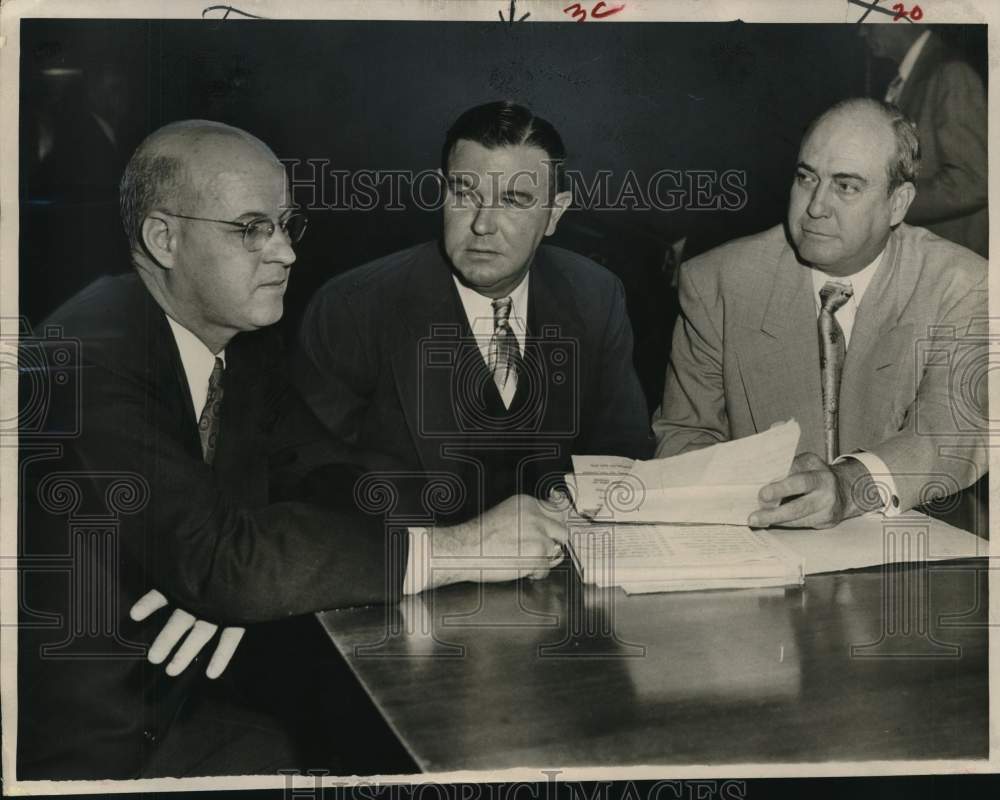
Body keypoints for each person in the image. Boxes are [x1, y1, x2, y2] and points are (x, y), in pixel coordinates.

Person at [17, 120, 569, 780]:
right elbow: (226, 559)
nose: (285, 254)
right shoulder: (83, 359)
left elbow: (336, 473)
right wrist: (461, 549)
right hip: (74, 752)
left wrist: (518, 505)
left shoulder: (241, 348)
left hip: (185, 701)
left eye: (286, 225)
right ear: (163, 238)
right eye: (252, 229)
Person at [293, 101, 653, 545]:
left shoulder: (595, 295)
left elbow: (624, 452)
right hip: (405, 579)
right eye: (464, 194)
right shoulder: (353, 306)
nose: (483, 224)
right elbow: (312, 479)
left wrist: (575, 502)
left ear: (555, 214)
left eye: (515, 200)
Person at [652, 98, 987, 530]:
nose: (815, 206)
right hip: (760, 544)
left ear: (898, 203)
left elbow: (952, 433)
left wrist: (847, 487)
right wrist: (765, 494)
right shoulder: (716, 283)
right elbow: (680, 436)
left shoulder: (964, 285)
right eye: (806, 177)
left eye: (846, 186)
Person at [860, 25, 987, 256]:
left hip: (951, 258)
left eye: (866, 21)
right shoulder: (915, 76)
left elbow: (974, 182)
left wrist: (885, 205)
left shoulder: (952, 73)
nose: (861, 32)